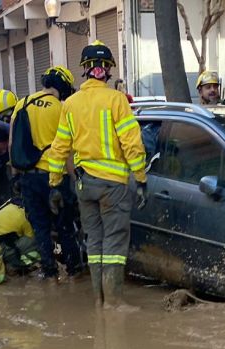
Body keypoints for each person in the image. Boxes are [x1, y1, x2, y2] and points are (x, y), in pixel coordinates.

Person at [45, 41, 147, 308]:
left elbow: (59, 147)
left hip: (83, 185)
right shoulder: (116, 100)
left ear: (85, 70)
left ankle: (100, 301)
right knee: (114, 241)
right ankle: (113, 302)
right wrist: (141, 178)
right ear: (108, 70)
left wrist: (55, 184)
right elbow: (132, 143)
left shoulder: (70, 104)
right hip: (112, 186)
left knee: (95, 241)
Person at [9, 65, 85, 281]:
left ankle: (50, 274)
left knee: (40, 228)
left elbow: (13, 144)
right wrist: (75, 179)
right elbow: (67, 149)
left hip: (28, 177)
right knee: (65, 226)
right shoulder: (61, 108)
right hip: (54, 177)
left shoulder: (22, 104)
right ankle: (74, 272)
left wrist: (15, 175)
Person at [0, 199, 39, 284]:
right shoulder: (26, 217)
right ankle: (13, 266)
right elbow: (33, 239)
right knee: (39, 243)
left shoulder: (13, 203)